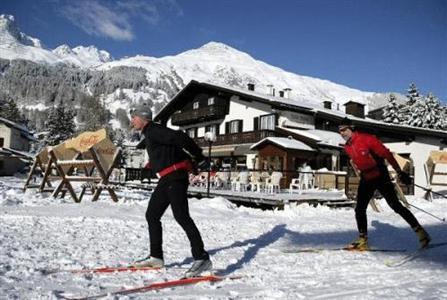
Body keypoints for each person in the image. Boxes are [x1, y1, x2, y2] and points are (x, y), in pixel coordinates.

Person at [129, 103, 212, 278]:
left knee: (181, 216)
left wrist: (200, 157)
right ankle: (156, 257)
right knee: (152, 215)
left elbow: (179, 137)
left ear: (143, 118)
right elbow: (167, 150)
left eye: (134, 117)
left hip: (176, 177)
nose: (132, 120)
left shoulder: (154, 130)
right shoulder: (150, 133)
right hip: (167, 178)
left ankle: (202, 257)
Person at [338, 117, 430, 250]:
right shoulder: (347, 147)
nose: (342, 133)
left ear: (351, 129)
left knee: (395, 206)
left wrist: (399, 171)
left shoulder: (367, 139)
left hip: (380, 175)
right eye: (339, 131)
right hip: (366, 177)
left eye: (344, 130)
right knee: (359, 209)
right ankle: (363, 239)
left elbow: (387, 154)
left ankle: (421, 232)